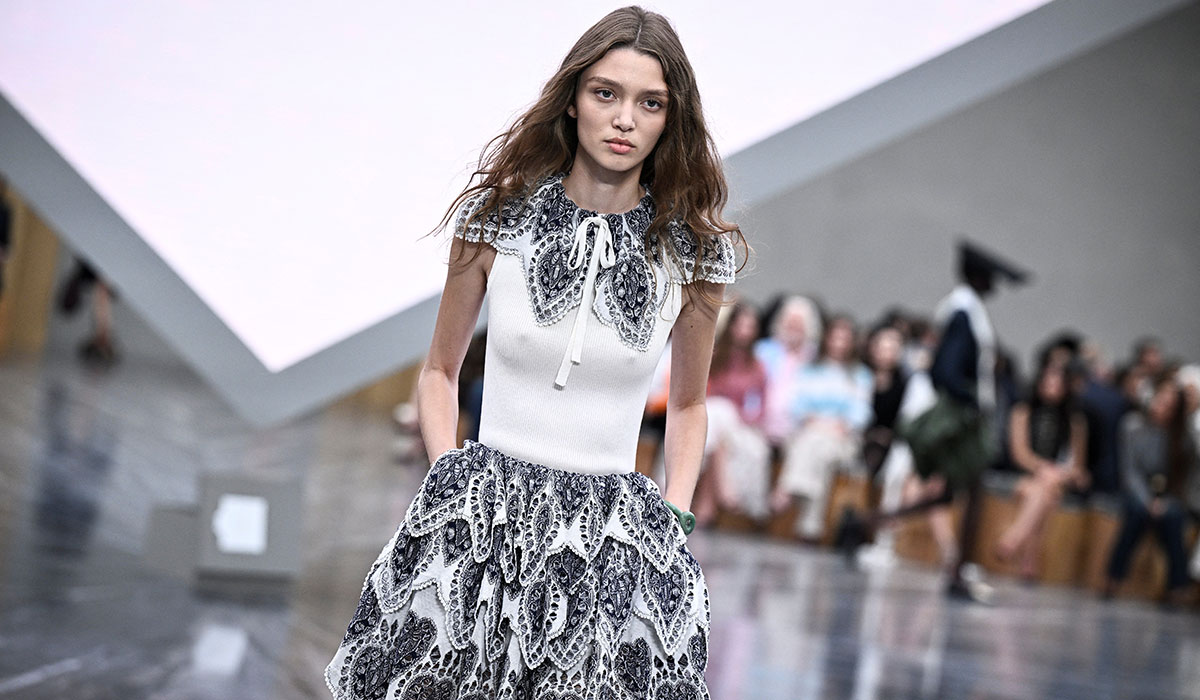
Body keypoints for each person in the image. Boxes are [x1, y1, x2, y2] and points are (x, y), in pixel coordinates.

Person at [324, 8, 742, 699]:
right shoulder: (496, 218)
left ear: (671, 119)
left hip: (614, 543)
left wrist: (673, 517)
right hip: (477, 521)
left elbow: (691, 404)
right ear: (573, 99)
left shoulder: (692, 254)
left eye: (650, 103)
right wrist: (445, 477)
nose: (624, 119)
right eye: (605, 93)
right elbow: (438, 369)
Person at [771, 315, 873, 540]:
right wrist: (818, 421)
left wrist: (837, 424)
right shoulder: (810, 371)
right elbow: (797, 405)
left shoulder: (859, 375)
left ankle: (786, 489)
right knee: (818, 449)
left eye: (844, 339)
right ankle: (810, 527)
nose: (839, 344)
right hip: (811, 433)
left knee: (817, 444)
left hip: (842, 438)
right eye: (835, 338)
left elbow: (860, 413)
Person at [1105, 373, 1195, 604]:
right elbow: (1130, 471)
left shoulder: (1182, 436)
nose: (1163, 407)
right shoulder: (1132, 425)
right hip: (1137, 492)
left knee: (1174, 519)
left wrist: (1164, 501)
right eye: (1161, 400)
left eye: (1170, 405)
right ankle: (1114, 577)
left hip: (1170, 495)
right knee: (1135, 514)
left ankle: (1177, 586)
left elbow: (1182, 477)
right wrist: (1148, 500)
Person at [995, 360, 1089, 580]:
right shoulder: (1022, 411)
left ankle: (1013, 539)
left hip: (1057, 478)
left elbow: (1078, 464)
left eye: (1058, 381)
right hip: (1025, 475)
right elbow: (1019, 453)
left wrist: (1059, 473)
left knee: (1045, 489)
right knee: (1045, 495)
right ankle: (1029, 561)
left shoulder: (1075, 420)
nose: (1052, 385)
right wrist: (1042, 467)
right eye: (1048, 380)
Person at [696, 301, 771, 523]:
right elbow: (701, 389)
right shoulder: (714, 355)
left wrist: (748, 418)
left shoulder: (756, 365)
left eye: (750, 326)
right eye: (741, 325)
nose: (745, 332)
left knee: (722, 430)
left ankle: (707, 503)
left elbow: (762, 404)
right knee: (718, 417)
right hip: (708, 415)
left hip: (733, 424)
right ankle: (721, 493)